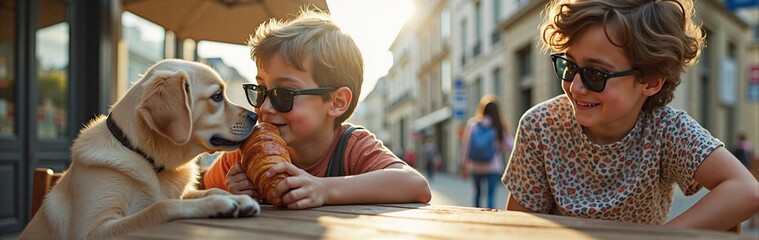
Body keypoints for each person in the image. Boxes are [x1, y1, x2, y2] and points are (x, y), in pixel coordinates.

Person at [503, 0, 759, 231]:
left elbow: (747, 191)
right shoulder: (540, 126)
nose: (576, 87)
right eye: (569, 66)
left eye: (596, 75)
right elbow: (516, 229)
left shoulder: (666, 130)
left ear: (650, 81)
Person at [203, 9, 431, 209]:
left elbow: (414, 185)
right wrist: (225, 194)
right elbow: (196, 188)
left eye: (284, 94)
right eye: (261, 90)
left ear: (336, 102)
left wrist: (323, 189)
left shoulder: (351, 147)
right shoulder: (246, 153)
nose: (265, 107)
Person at [460, 95, 513, 209]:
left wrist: (463, 166)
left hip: (475, 166)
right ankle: (491, 220)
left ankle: (476, 219)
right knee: (490, 197)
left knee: (477, 195)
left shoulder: (473, 124)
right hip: (493, 167)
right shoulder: (498, 126)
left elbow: (466, 146)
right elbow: (509, 146)